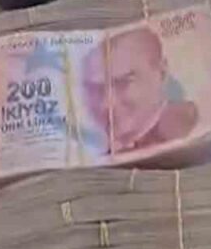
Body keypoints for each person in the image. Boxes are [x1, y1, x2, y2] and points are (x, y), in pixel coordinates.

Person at [82, 25, 199, 153]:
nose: (107, 103)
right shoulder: (95, 150)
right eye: (96, 89)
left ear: (162, 73)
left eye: (124, 83)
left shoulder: (193, 134)